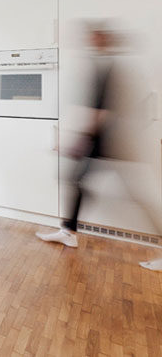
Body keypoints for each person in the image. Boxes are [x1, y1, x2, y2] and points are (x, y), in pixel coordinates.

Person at [36, 22, 162, 270]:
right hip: (102, 146)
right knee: (76, 181)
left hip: (116, 148)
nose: (89, 41)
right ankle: (69, 231)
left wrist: (72, 141)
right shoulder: (104, 66)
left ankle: (69, 231)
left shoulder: (109, 69)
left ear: (104, 40)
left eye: (94, 37)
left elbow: (101, 112)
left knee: (138, 197)